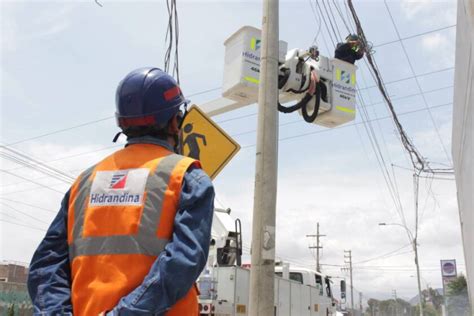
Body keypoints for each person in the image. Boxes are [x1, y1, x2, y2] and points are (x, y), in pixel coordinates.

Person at [27, 67, 215, 315]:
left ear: (122, 122)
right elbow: (183, 262)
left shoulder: (83, 182)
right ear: (174, 122)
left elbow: (46, 265)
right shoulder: (188, 178)